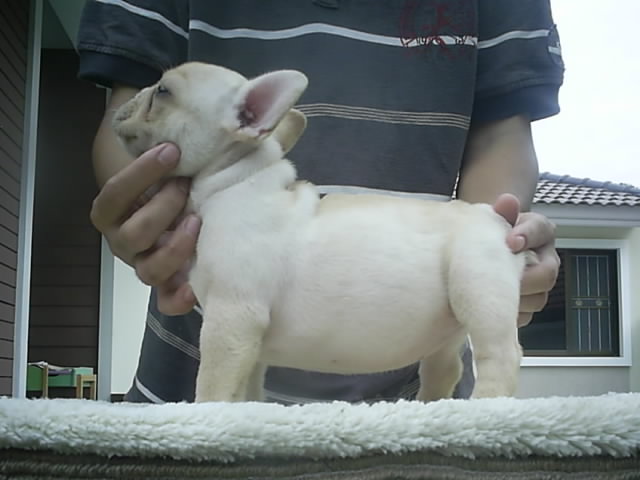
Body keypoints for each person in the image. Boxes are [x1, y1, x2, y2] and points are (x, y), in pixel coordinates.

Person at [77, 0, 563, 404]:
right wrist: (149, 220)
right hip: (178, 370)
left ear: (252, 117)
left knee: (474, 261)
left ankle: (477, 400)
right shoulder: (239, 214)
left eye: (163, 93)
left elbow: (502, 134)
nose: (148, 100)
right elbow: (123, 127)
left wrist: (497, 249)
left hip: (425, 337)